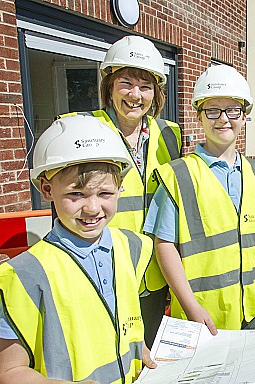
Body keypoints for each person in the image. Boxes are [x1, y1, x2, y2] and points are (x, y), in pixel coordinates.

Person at [0, 115, 163, 384]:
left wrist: (140, 352)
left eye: (105, 192)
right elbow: (6, 376)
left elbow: (117, 324)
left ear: (121, 187)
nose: (93, 207)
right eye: (76, 194)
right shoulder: (26, 275)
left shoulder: (131, 247)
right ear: (46, 189)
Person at [144, 64, 255, 384]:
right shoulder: (179, 175)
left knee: (239, 373)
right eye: (213, 110)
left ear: (244, 116)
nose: (224, 119)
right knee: (191, 382)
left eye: (232, 110)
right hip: (199, 308)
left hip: (248, 301)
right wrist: (189, 304)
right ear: (199, 115)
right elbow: (164, 244)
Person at [61, 35, 182, 355]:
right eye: (126, 83)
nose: (135, 94)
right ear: (109, 86)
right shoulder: (81, 131)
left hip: (152, 279)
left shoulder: (169, 134)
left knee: (150, 366)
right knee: (107, 365)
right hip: (103, 277)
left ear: (157, 92)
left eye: (145, 86)